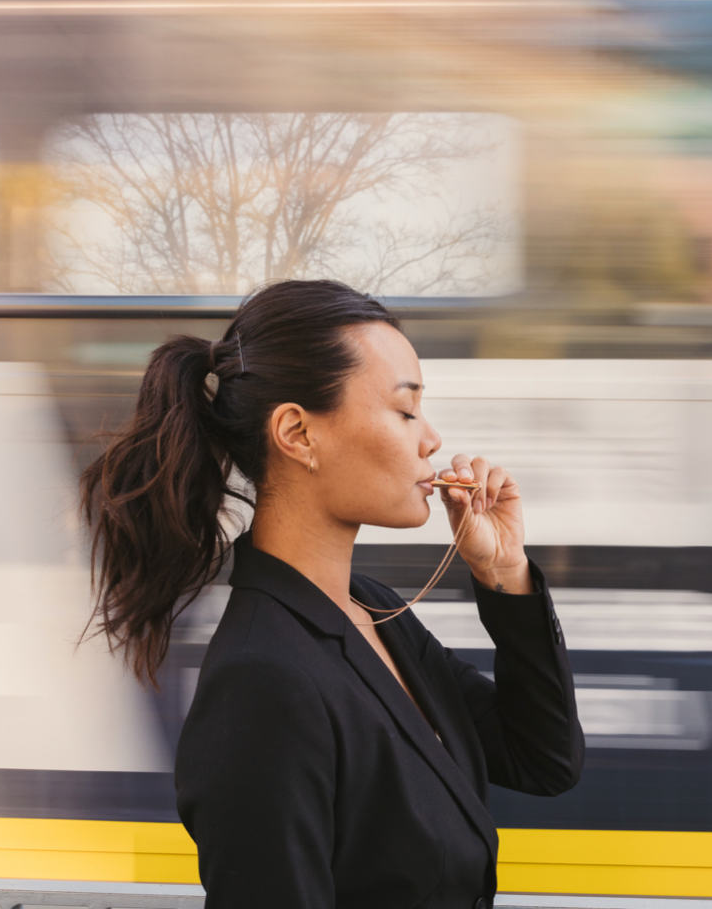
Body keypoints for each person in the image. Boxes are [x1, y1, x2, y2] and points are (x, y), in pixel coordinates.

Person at [80, 279, 584, 909]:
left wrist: (504, 573)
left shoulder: (374, 611)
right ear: (297, 434)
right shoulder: (262, 679)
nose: (431, 438)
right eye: (405, 410)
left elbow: (542, 760)